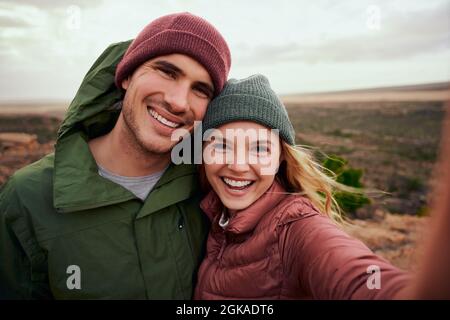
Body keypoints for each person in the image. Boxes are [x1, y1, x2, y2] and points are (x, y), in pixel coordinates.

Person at [0, 12, 231, 299]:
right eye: (167, 72)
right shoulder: (27, 199)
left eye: (201, 90)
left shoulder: (211, 191)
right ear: (126, 75)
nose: (178, 101)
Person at [194, 74, 449, 299]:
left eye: (260, 148)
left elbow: (361, 277)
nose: (238, 165)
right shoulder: (209, 210)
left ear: (281, 156)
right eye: (221, 145)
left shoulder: (296, 228)